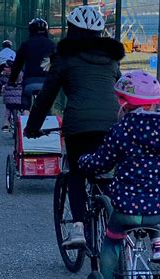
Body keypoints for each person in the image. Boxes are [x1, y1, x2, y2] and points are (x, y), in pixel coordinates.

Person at [78, 70, 160, 279]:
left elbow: (102, 162)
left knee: (112, 240)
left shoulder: (123, 130)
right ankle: (157, 243)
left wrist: (84, 162)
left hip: (127, 206)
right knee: (152, 199)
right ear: (155, 102)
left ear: (123, 102)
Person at [23, 6, 125, 248]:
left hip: (78, 124)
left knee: (77, 173)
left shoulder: (64, 57)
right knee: (106, 170)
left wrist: (32, 127)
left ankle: (78, 228)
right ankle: (115, 220)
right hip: (112, 123)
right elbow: (121, 89)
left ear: (71, 30)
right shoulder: (111, 59)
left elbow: (47, 94)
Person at [8, 18, 56, 113]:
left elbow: (17, 64)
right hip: (47, 82)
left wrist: (12, 81)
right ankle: (49, 117)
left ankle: (25, 115)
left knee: (26, 98)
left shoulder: (26, 45)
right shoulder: (52, 45)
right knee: (47, 103)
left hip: (30, 81)